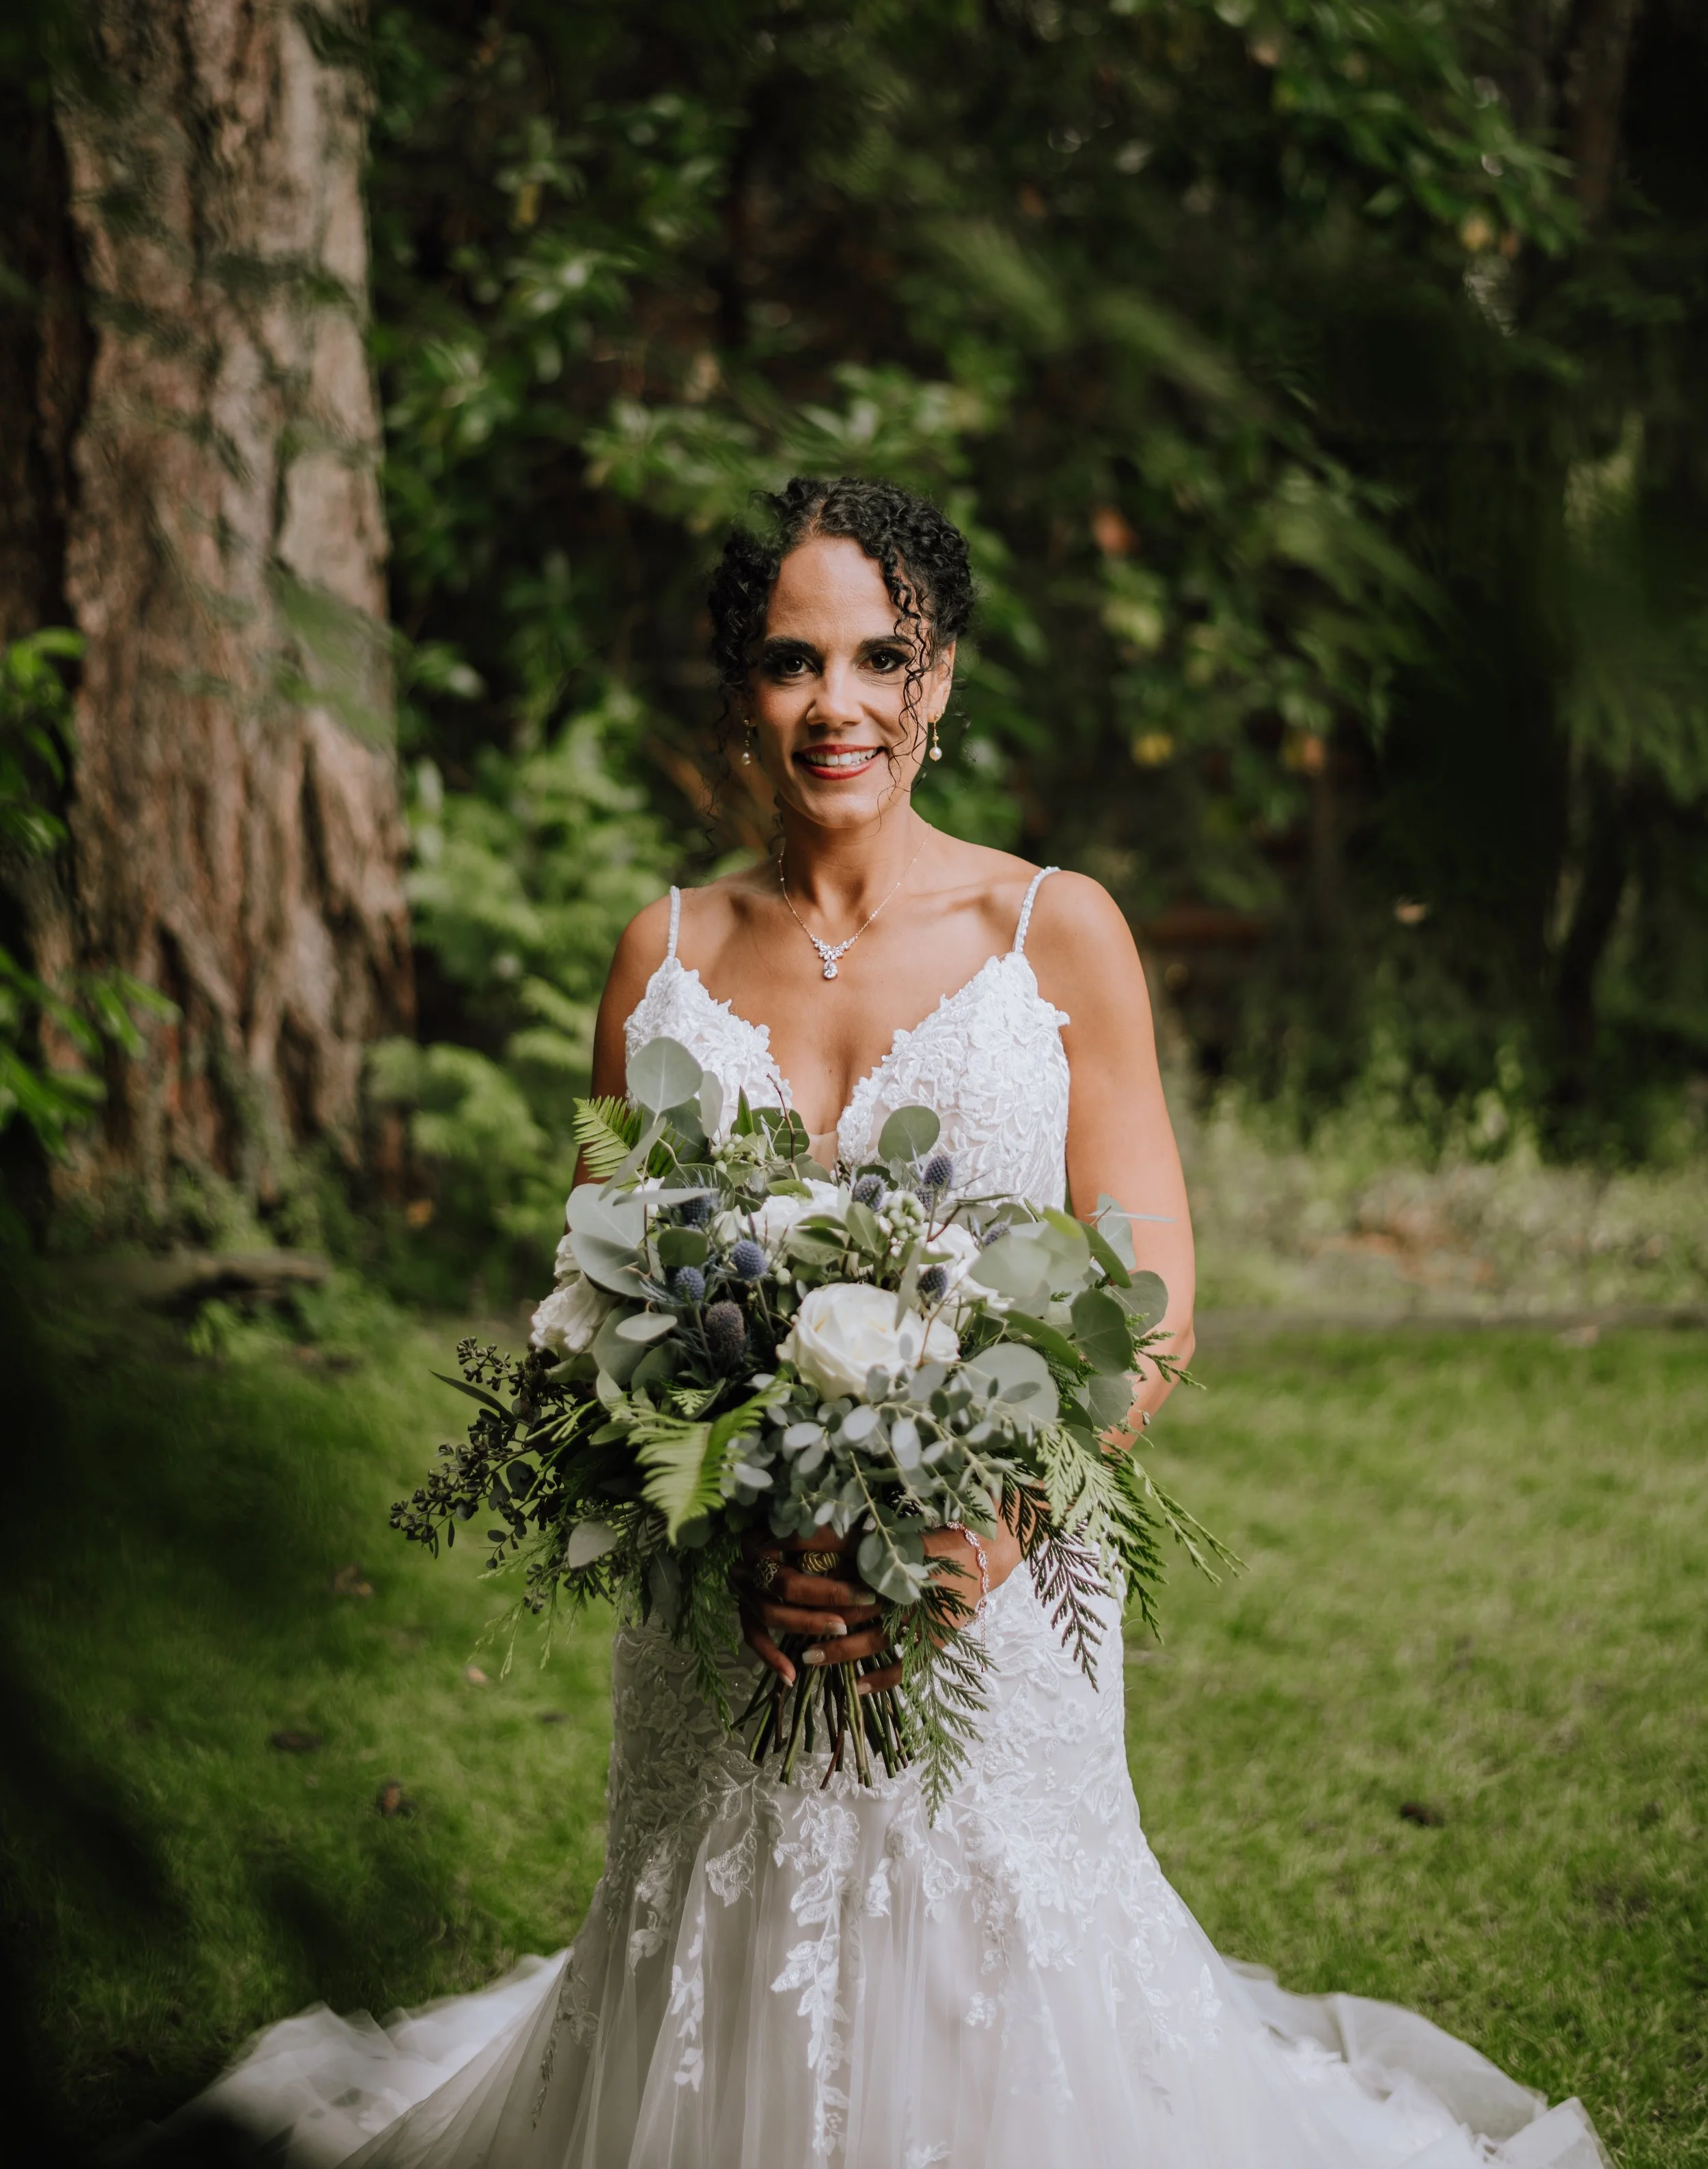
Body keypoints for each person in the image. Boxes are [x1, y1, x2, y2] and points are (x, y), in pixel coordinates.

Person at [189, 478, 1606, 2168]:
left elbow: (1144, 1305)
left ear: (938, 683)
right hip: (730, 1616)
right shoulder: (661, 953)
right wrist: (730, 1528)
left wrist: (991, 1530)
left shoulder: (1051, 932)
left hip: (988, 1603)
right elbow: (603, 1303)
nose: (838, 704)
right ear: (744, 692)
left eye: (883, 659)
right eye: (794, 663)